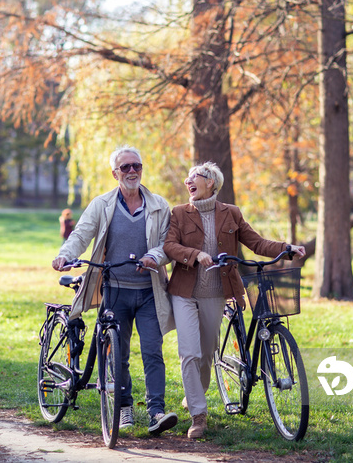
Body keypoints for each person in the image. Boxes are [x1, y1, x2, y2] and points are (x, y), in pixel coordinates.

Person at [163, 162, 305, 439]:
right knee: (190, 353)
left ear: (211, 183)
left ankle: (196, 391)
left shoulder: (231, 214)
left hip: (216, 293)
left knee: (207, 352)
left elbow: (257, 242)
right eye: (187, 178)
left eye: (195, 177)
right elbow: (170, 246)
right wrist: (195, 254)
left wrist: (286, 248)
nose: (188, 181)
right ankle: (198, 414)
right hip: (184, 291)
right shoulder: (179, 213)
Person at [51, 145, 178, 435]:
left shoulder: (159, 205)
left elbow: (167, 244)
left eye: (137, 166)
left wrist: (154, 257)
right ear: (114, 173)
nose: (132, 171)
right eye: (126, 167)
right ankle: (123, 408)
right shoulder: (102, 204)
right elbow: (81, 234)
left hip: (149, 292)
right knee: (117, 353)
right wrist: (65, 254)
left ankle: (156, 412)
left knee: (152, 352)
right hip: (114, 291)